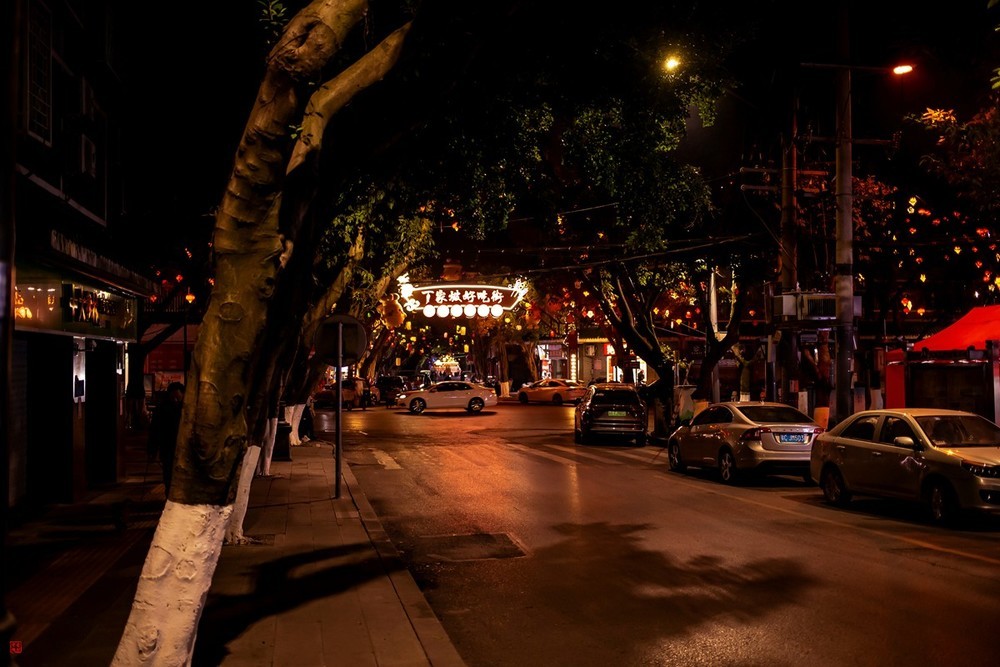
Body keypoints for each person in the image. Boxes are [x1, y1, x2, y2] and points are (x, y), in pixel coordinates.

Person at [149, 382, 184, 496]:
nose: (175, 400)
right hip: (168, 448)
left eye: (177, 397)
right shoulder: (162, 409)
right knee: (168, 475)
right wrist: (152, 450)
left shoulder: (185, 408)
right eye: (173, 397)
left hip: (179, 448)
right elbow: (155, 430)